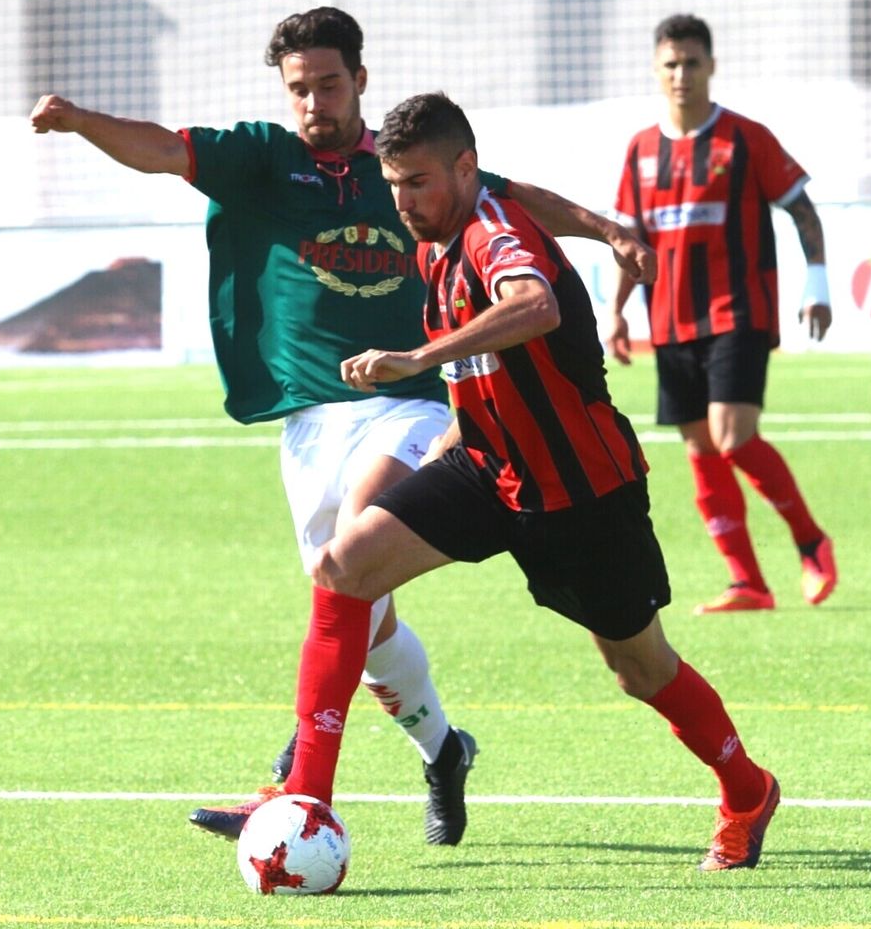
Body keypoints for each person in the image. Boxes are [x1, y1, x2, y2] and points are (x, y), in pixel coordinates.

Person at [29, 7, 652, 846]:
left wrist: (608, 227)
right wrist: (78, 123)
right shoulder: (263, 158)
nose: (315, 101)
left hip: (408, 402)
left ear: (360, 79)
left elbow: (513, 198)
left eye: (329, 83)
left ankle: (295, 786)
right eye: (300, 89)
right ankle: (444, 749)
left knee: (349, 557)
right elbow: (165, 150)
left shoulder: (400, 168)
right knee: (363, 611)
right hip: (307, 424)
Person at [201, 90, 781, 873]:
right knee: (344, 566)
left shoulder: (491, 230)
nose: (402, 201)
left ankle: (746, 790)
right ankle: (307, 795)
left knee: (640, 667)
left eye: (418, 183)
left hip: (581, 494)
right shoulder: (439, 234)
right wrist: (610, 229)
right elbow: (512, 258)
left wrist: (416, 361)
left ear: (465, 169)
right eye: (394, 183)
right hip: (483, 465)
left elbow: (534, 304)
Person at [607, 13, 839, 615]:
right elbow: (631, 242)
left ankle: (811, 542)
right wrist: (616, 313)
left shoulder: (745, 138)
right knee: (701, 450)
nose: (681, 74)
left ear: (712, 66)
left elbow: (803, 210)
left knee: (734, 436)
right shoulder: (641, 150)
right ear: (656, 72)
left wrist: (818, 283)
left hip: (738, 311)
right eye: (670, 64)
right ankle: (748, 584)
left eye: (691, 62)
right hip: (671, 319)